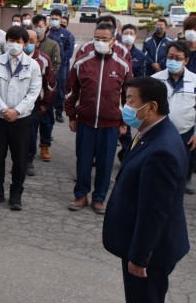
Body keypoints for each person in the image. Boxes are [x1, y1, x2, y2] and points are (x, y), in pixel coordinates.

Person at [103, 76, 190, 303]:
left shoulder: (162, 151)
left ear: (151, 106)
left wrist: (140, 257)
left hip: (151, 251)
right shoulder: (151, 132)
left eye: (130, 100)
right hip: (145, 243)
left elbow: (154, 211)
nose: (125, 106)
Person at [65, 22, 133, 214]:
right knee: (83, 161)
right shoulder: (82, 63)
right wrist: (71, 116)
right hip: (85, 122)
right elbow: (71, 91)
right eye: (97, 38)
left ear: (113, 40)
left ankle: (100, 198)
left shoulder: (123, 66)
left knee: (105, 163)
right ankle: (80, 195)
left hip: (110, 125)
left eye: (104, 39)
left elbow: (128, 98)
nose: (100, 42)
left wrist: (124, 123)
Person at [0, 26, 42, 210]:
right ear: (6, 41)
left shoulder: (33, 65)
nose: (14, 44)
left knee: (19, 158)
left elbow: (34, 92)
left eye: (18, 41)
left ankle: (16, 194)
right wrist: (3, 109)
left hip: (21, 119)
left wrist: (16, 111)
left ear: (25, 44)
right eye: (11, 40)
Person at [152, 41, 196, 194]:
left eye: (178, 58)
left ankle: (176, 196)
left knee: (180, 169)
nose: (173, 61)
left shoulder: (194, 80)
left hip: (185, 134)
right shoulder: (155, 80)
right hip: (159, 134)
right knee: (158, 168)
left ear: (186, 61)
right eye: (170, 57)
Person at [25, 29, 56, 176]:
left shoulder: (44, 60)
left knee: (31, 134)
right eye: (26, 40)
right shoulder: (13, 57)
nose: (28, 43)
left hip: (34, 105)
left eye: (32, 40)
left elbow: (50, 85)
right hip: (13, 104)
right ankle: (17, 160)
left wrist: (45, 104)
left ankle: (28, 160)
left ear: (37, 42)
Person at [117, 24, 148, 161]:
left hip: (130, 98)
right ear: (121, 34)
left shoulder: (140, 56)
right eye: (126, 33)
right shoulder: (116, 52)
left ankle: (126, 155)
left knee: (126, 127)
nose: (128, 35)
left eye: (131, 33)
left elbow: (142, 78)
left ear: (135, 36)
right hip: (115, 95)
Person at [32, 14, 61, 161]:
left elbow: (56, 66)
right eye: (35, 26)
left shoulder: (52, 44)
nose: (37, 29)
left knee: (46, 119)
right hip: (30, 89)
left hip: (46, 88)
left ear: (46, 27)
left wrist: (47, 79)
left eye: (40, 26)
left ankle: (45, 145)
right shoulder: (27, 42)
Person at [49, 9, 75, 123]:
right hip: (48, 65)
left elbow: (70, 51)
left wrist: (59, 61)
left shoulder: (67, 34)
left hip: (61, 66)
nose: (54, 21)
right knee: (47, 86)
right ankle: (47, 108)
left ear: (60, 19)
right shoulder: (47, 32)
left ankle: (58, 112)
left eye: (56, 19)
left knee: (60, 88)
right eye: (52, 19)